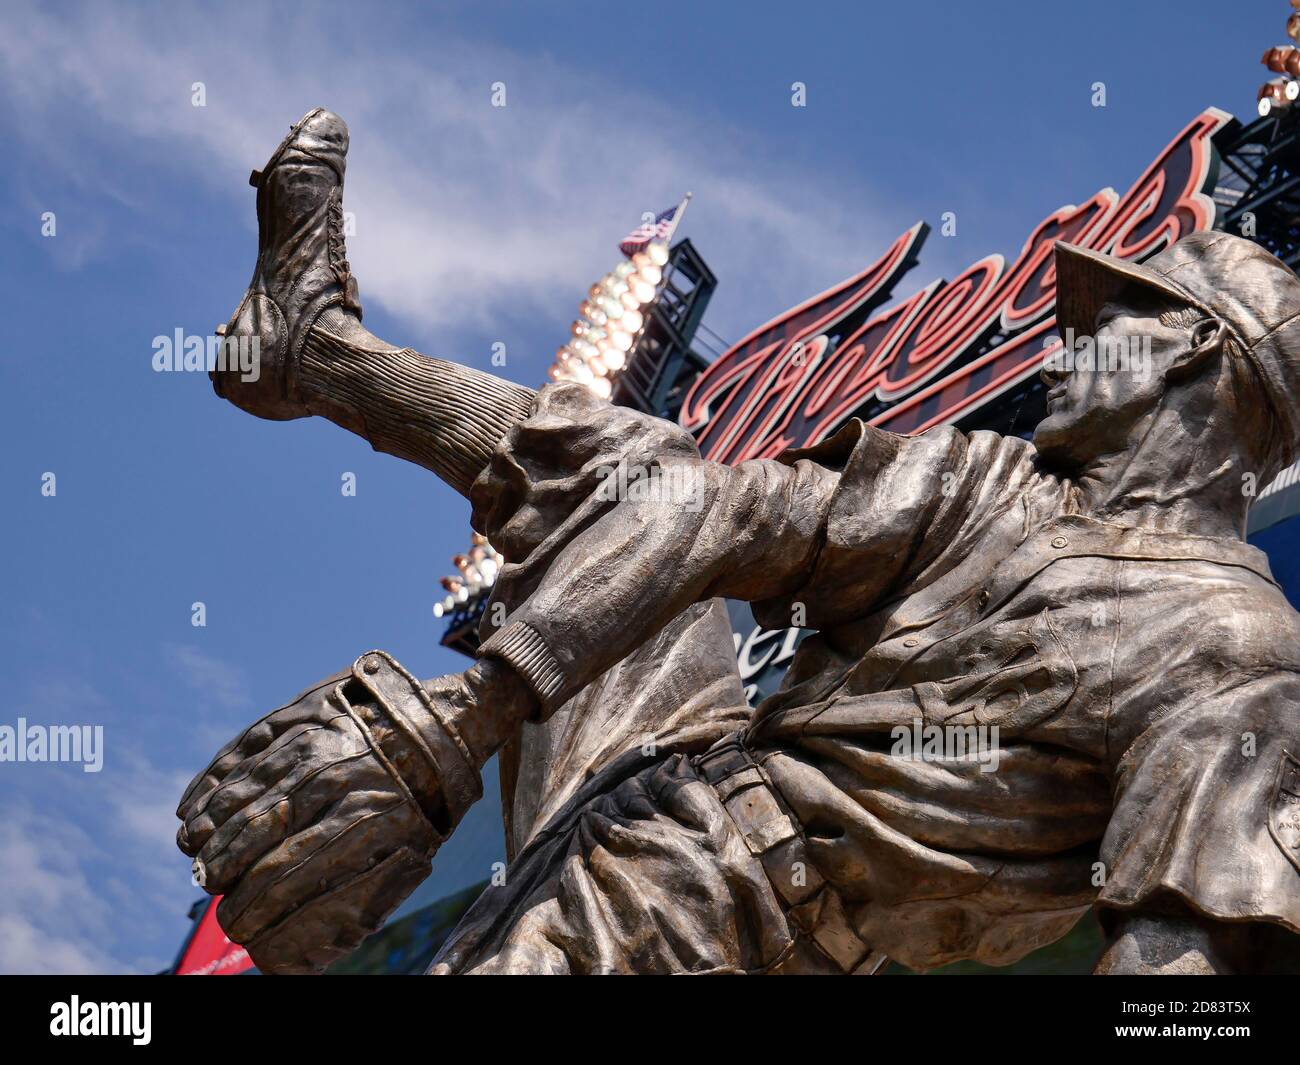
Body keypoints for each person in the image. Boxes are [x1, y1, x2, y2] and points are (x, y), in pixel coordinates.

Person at [177, 109, 1300, 975]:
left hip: (738, 914)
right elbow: (728, 516)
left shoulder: (1229, 652)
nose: (1062, 350)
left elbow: (1187, 949)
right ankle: (310, 349)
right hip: (673, 768)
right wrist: (490, 703)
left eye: (1104, 329)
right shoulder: (996, 482)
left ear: (1195, 353)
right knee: (654, 472)